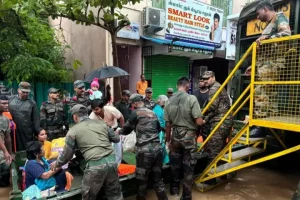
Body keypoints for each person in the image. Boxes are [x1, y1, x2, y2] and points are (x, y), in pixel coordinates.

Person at [50, 104, 123, 200]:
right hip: (112, 162)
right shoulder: (102, 123)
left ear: (75, 116)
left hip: (95, 166)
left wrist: (57, 163)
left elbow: (67, 155)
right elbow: (117, 139)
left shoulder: (73, 131)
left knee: (88, 196)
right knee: (115, 195)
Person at [118, 94, 168, 200]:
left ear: (135, 103)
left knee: (142, 180)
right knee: (158, 179)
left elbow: (126, 130)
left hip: (144, 152)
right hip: (157, 149)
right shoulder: (153, 112)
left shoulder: (135, 113)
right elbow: (159, 129)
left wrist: (118, 131)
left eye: (131, 104)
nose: (131, 107)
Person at [164, 77, 203, 200]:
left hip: (175, 137)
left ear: (177, 86)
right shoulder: (191, 99)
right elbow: (199, 121)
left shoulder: (169, 101)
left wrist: (168, 140)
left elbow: (168, 124)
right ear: (187, 86)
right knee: (188, 168)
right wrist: (202, 120)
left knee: (174, 166)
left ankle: (174, 190)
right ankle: (186, 196)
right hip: (189, 138)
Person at [245, 0, 291, 75]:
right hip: (266, 65)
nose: (257, 17)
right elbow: (265, 51)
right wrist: (254, 66)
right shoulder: (268, 25)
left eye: (258, 13)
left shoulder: (279, 16)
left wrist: (268, 39)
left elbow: (286, 34)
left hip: (275, 63)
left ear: (265, 10)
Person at [202, 71, 233, 168]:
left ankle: (210, 177)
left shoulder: (214, 88)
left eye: (208, 78)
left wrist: (199, 112)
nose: (205, 81)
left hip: (220, 122)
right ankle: (222, 173)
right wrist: (206, 120)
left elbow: (212, 106)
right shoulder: (218, 86)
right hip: (225, 121)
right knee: (221, 149)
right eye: (204, 79)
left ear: (213, 77)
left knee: (213, 149)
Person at [9, 82, 42, 151]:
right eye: (23, 92)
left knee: (27, 149)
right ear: (18, 90)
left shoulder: (32, 103)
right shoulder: (10, 100)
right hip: (12, 131)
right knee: (12, 148)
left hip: (26, 132)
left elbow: (36, 120)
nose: (25, 94)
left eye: (27, 92)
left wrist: (38, 132)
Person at [153, 95, 170, 164]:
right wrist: (165, 130)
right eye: (164, 102)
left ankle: (165, 160)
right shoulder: (157, 110)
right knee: (160, 145)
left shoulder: (160, 109)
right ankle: (165, 161)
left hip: (161, 130)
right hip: (159, 130)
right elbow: (159, 123)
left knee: (161, 144)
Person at [0, 95, 13, 187]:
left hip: (2, 150)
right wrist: (5, 151)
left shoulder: (5, 119)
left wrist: (10, 153)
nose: (6, 105)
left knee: (6, 166)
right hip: (2, 150)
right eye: (3, 103)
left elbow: (8, 137)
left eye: (7, 103)